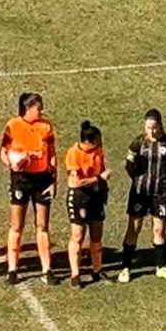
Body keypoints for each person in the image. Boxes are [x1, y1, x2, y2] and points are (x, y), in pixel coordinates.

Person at [0, 92, 57, 284]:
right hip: (21, 179)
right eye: (38, 107)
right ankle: (12, 269)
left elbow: (52, 154)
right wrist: (12, 164)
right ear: (28, 108)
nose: (41, 111)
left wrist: (54, 180)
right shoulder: (13, 125)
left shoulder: (46, 126)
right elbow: (3, 152)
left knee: (42, 225)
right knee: (17, 225)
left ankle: (46, 270)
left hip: (42, 179)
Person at [118, 108, 166, 283]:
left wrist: (162, 181)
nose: (151, 131)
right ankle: (125, 268)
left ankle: (161, 267)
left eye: (154, 127)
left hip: (160, 193)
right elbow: (129, 166)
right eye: (148, 127)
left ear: (160, 126)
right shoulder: (138, 143)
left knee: (159, 229)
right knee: (134, 228)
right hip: (139, 193)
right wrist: (139, 179)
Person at [64, 121, 111, 288]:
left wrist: (102, 185)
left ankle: (97, 270)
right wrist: (99, 178)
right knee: (77, 235)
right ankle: (75, 274)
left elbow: (101, 169)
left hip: (96, 196)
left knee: (97, 235)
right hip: (79, 197)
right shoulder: (74, 153)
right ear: (91, 140)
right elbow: (77, 183)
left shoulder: (98, 151)